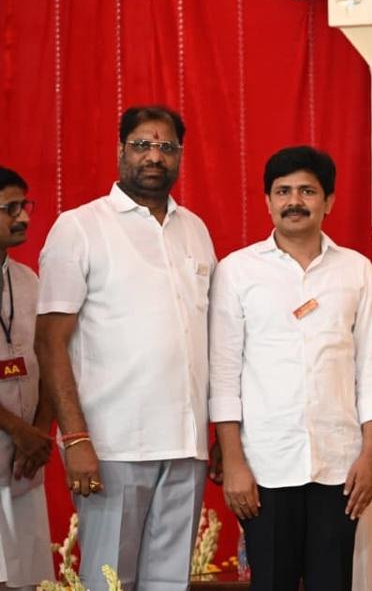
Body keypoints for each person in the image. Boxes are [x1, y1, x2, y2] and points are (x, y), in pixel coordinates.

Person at [36, 105, 216, 590]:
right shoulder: (80, 227)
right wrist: (74, 438)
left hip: (186, 443)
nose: (154, 156)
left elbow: (207, 342)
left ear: (179, 155)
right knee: (109, 580)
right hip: (112, 444)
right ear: (120, 151)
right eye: (142, 145)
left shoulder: (194, 231)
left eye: (166, 147)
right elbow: (50, 341)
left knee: (170, 583)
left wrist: (216, 434)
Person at [209, 146, 372, 590]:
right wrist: (233, 462)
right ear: (267, 201)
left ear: (328, 201)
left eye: (307, 191)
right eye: (283, 191)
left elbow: (371, 369)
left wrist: (371, 456)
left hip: (340, 466)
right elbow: (224, 374)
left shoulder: (357, 270)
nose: (294, 201)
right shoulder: (237, 271)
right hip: (265, 465)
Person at [0, 167, 53, 590]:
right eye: (10, 208)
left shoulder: (29, 281)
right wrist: (18, 429)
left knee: (28, 580)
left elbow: (50, 360)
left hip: (22, 465)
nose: (23, 218)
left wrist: (38, 433)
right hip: (13, 440)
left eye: (24, 206)